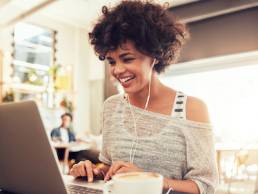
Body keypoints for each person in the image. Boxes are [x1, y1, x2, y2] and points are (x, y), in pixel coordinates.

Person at [70, 1, 218, 194]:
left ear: (155, 55)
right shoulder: (111, 107)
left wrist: (148, 179)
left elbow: (205, 186)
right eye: (112, 61)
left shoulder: (192, 109)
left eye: (127, 58)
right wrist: (93, 171)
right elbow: (110, 168)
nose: (117, 70)